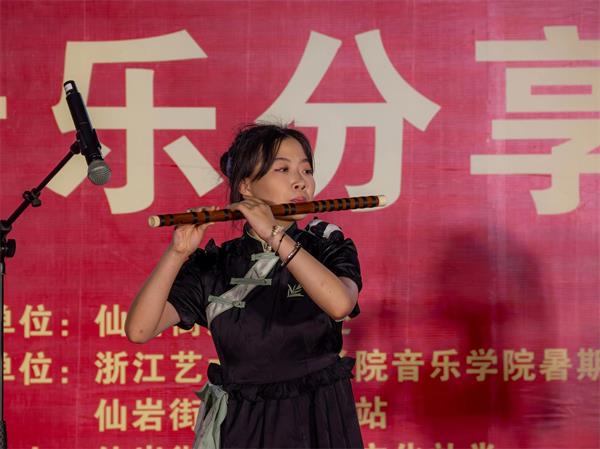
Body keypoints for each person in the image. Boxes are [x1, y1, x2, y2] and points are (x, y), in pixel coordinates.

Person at [125, 123, 364, 449]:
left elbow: (340, 304)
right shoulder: (214, 265)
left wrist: (273, 234)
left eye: (306, 170)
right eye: (283, 169)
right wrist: (177, 253)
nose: (301, 181)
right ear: (246, 186)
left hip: (318, 417)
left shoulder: (326, 246)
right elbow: (139, 330)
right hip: (244, 424)